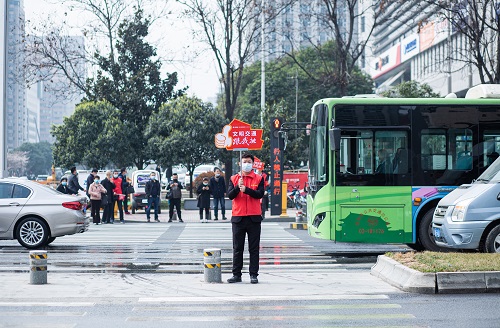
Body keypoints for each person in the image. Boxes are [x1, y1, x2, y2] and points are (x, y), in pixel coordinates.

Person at [227, 153, 264, 284]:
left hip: (254, 218)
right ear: (240, 163)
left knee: (253, 249)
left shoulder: (259, 178)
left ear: (253, 163)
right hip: (238, 218)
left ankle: (253, 275)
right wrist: (238, 187)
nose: (246, 164)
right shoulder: (234, 178)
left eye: (249, 161)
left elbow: (260, 194)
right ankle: (236, 274)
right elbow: (230, 195)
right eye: (244, 161)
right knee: (238, 248)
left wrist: (247, 190)